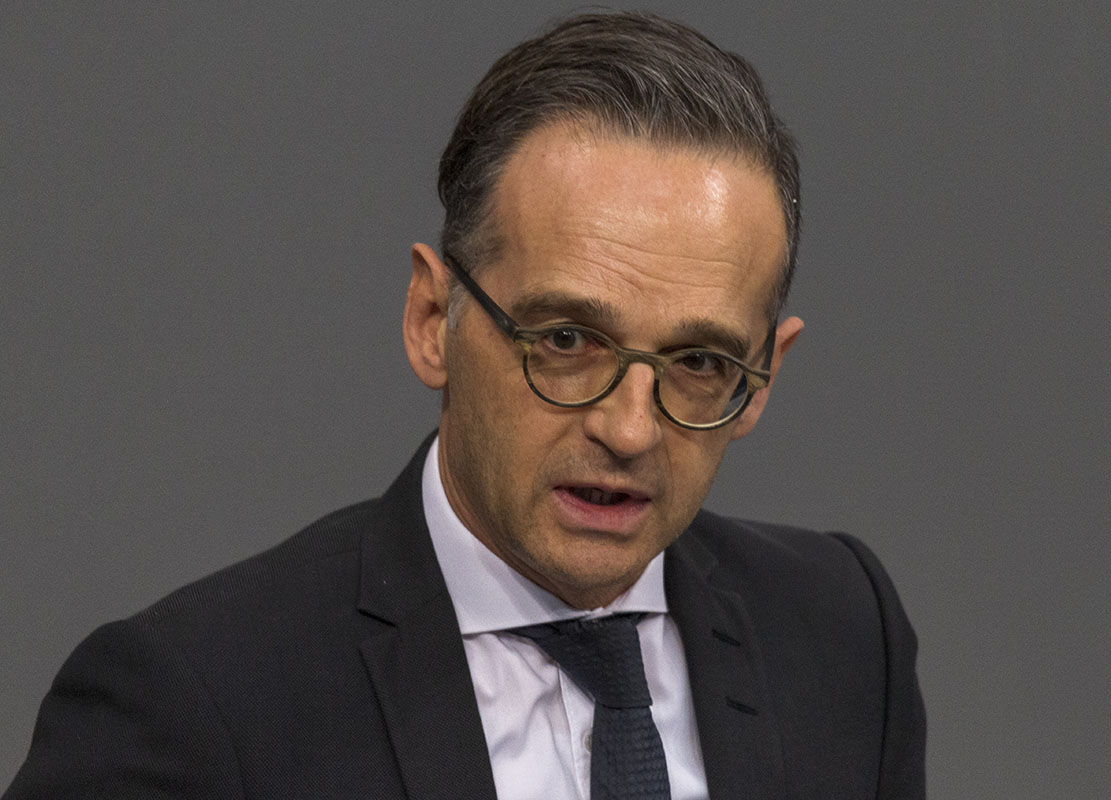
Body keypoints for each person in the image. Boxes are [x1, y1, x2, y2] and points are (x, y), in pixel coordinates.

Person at [5, 11, 924, 799]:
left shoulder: (845, 632)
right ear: (431, 320)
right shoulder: (193, 704)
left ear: (762, 376)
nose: (629, 429)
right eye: (566, 340)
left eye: (696, 362)